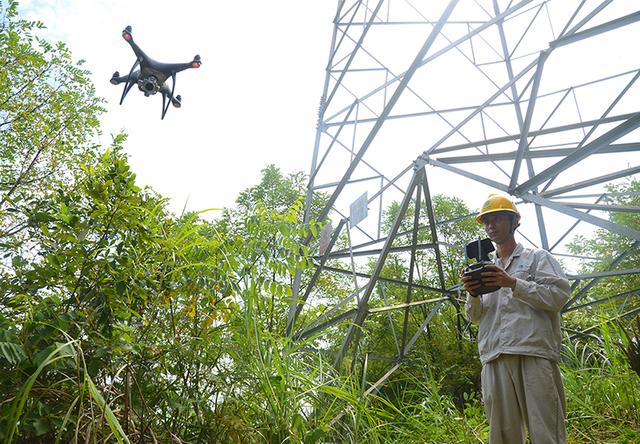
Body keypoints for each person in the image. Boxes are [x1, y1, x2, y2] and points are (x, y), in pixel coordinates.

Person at [462, 194, 570, 444]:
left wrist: (513, 283)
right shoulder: (483, 269)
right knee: (502, 436)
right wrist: (473, 294)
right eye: (486, 221)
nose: (491, 226)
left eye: (497, 218)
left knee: (546, 431)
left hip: (532, 352)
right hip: (494, 356)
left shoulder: (537, 258)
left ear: (514, 222)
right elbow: (474, 317)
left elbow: (558, 296)